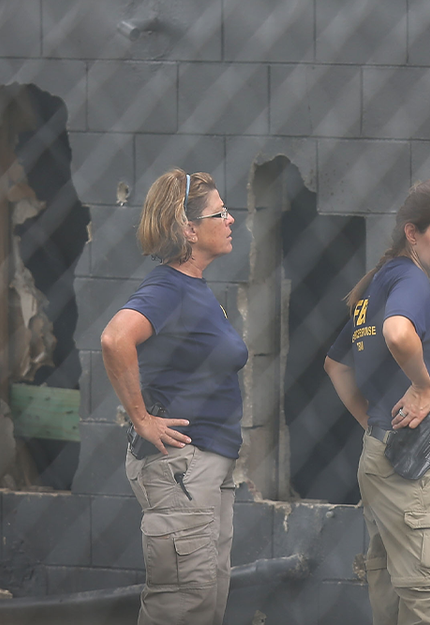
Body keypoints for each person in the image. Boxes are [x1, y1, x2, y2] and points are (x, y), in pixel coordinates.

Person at [101, 169, 246, 625]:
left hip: (207, 465)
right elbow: (114, 339)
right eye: (220, 213)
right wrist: (141, 418)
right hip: (183, 467)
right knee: (181, 607)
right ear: (189, 229)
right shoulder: (167, 288)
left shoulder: (193, 287)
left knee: (204, 602)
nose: (231, 219)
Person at [324, 178, 430, 625]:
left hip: (383, 457)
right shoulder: (409, 279)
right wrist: (423, 387)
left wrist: (375, 425)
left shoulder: (379, 282)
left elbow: (336, 365)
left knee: (394, 600)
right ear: (412, 232)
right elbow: (397, 333)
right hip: (416, 471)